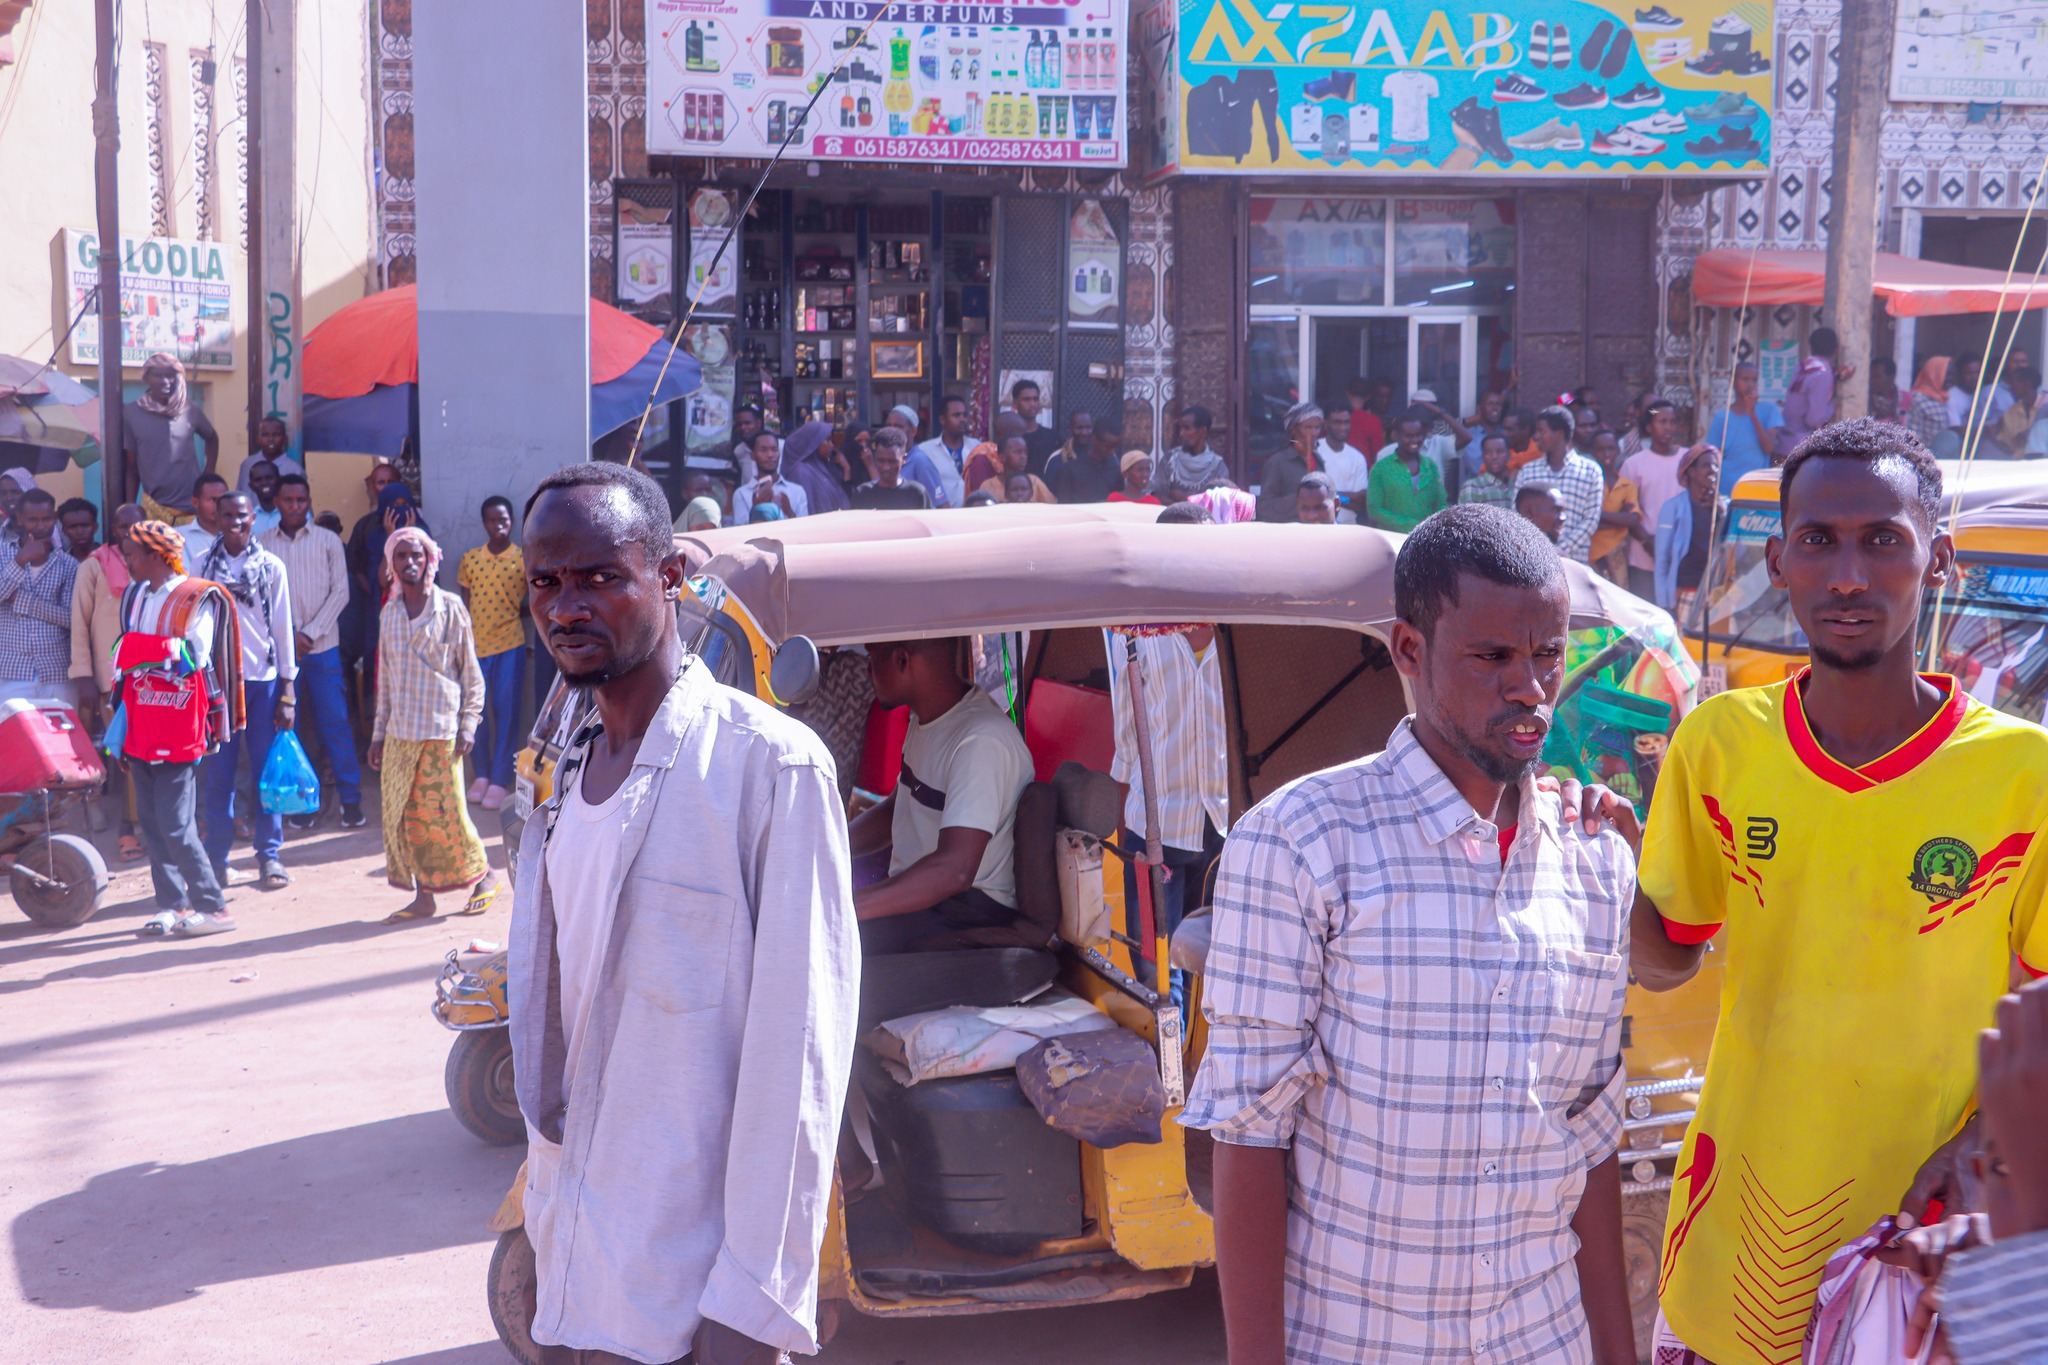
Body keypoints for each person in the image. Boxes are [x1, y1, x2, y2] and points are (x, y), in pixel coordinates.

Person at [1610, 419, 2048, 1365]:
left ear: (1939, 559)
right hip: (1733, 1242)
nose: (1848, 575)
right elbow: (1668, 953)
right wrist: (1601, 870)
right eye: (1818, 540)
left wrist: (1984, 1141)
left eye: (1882, 539)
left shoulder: (2027, 774)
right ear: (1779, 561)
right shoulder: (1718, 743)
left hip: (1921, 1247)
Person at [1187, 502, 1637, 1365]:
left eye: (1548, 653)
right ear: (1408, 650)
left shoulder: (1596, 860)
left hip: (1542, 1340)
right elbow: (1248, 1131)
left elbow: (1589, 1136)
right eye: (1493, 657)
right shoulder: (1302, 841)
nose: (1530, 687)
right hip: (1357, 1342)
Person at [510, 461, 857, 1365]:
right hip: (584, 1263)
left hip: (698, 1290)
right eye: (547, 582)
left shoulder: (769, 767)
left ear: (668, 576)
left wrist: (752, 1305)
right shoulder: (564, 773)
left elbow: (800, 1060)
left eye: (600, 577)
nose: (567, 607)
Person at [851, 636, 1036, 951]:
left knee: (825, 944)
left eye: (872, 659)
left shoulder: (979, 741)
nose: (867, 671)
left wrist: (847, 907)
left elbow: (955, 870)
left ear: (902, 661)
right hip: (929, 899)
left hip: (967, 912)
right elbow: (897, 809)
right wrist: (829, 847)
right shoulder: (928, 718)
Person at [120, 521, 242, 938]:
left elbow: (192, 656)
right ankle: (173, 903)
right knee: (151, 822)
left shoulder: (195, 596)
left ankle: (214, 907)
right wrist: (141, 654)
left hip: (178, 720)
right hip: (141, 717)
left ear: (156, 556)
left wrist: (135, 651)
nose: (127, 561)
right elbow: (126, 654)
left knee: (176, 823)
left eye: (132, 555)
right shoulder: (137, 595)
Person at [368, 526, 496, 923]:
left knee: (448, 814)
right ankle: (424, 897)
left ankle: (485, 876)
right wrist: (378, 735)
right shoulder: (388, 614)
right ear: (392, 564)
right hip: (400, 734)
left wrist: (469, 724)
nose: (410, 562)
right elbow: (385, 682)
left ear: (429, 561)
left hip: (441, 733)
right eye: (402, 556)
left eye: (417, 555)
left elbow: (471, 674)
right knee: (407, 817)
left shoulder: (451, 608)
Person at [194, 490, 296, 892]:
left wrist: (288, 690)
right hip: (217, 686)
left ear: (254, 518)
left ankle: (269, 856)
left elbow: (283, 628)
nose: (235, 523)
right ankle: (217, 861)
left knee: (265, 773)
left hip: (262, 682)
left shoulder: (270, 567)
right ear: (216, 518)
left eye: (242, 516)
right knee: (218, 777)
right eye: (227, 516)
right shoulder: (202, 565)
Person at [259, 474, 365, 830]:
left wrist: (309, 633)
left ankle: (351, 800)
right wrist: (288, 636)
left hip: (323, 649)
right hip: (281, 654)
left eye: (301, 501)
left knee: (335, 724)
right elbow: (261, 598)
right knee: (291, 727)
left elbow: (341, 592)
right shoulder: (262, 544)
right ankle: (301, 803)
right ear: (277, 502)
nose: (294, 507)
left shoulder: (328, 540)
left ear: (309, 502)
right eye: (288, 500)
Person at [456, 495, 528, 813]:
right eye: (492, 520)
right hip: (476, 648)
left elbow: (535, 599)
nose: (498, 525)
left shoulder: (523, 559)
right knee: (477, 713)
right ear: (484, 523)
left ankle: (500, 779)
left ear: (512, 522)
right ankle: (481, 775)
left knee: (507, 712)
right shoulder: (471, 559)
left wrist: (512, 614)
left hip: (510, 645)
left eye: (504, 520)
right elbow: (466, 605)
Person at [122, 353, 221, 523]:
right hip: (155, 509)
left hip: (191, 510)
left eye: (170, 375)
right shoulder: (131, 413)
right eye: (158, 375)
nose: (165, 381)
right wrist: (130, 506)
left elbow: (212, 438)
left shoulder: (188, 409)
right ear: (146, 378)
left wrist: (208, 472)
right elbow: (132, 468)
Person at [0, 489, 78, 703]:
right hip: (12, 671)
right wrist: (21, 559)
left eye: (47, 519)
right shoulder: (2, 554)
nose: (41, 526)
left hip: (57, 671)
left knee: (61, 725)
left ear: (55, 518)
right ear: (20, 519)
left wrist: (20, 600)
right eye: (33, 520)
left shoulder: (68, 564)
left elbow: (72, 618)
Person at [1515, 406, 1604, 564]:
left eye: (1541, 431)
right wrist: (1540, 551)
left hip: (1574, 562)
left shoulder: (1590, 471)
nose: (1536, 436)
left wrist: (1561, 550)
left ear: (1560, 433)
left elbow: (1591, 519)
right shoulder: (1527, 471)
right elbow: (1517, 515)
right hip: (1533, 562)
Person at [1649, 444, 1722, 618]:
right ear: (1691, 471)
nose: (1712, 470)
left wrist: (1722, 512)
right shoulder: (1672, 508)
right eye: (1706, 465)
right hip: (1686, 591)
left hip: (1718, 594)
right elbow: (1662, 559)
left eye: (1716, 466)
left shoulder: (1725, 506)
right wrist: (1664, 604)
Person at [1619, 405, 1687, 591]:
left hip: (1681, 553)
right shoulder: (1633, 464)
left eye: (1672, 422)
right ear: (1649, 427)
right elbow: (1626, 508)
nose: (1668, 427)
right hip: (1644, 554)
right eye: (1662, 422)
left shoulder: (1687, 459)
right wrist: (1647, 541)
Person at [1703, 361, 1782, 493]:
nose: (1750, 384)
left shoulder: (1769, 410)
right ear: (1733, 382)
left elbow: (1769, 447)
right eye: (1745, 379)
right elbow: (1713, 457)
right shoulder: (1722, 418)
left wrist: (1752, 413)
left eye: (1754, 380)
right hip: (1727, 489)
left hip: (1756, 488)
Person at [1366, 410, 1449, 532]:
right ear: (1395, 436)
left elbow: (1441, 503)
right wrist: (1412, 525)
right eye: (1409, 436)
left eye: (1419, 435)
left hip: (1426, 537)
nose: (1415, 440)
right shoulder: (1380, 469)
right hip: (1393, 538)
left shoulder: (1430, 466)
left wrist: (1433, 526)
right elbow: (1374, 510)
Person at [1587, 431, 1645, 588]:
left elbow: (1632, 520)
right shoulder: (1587, 483)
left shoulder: (1627, 485)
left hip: (1617, 555)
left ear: (1618, 451)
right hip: (1590, 555)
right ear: (1593, 452)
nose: (1606, 454)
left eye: (1610, 448)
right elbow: (1583, 520)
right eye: (1600, 449)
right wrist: (1619, 519)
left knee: (1617, 598)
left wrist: (1596, 515)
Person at [1256, 402, 1326, 522]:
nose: (1314, 433)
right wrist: (1300, 499)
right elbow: (1265, 508)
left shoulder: (1318, 461)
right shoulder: (1277, 463)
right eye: (1308, 427)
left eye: (1317, 427)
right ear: (1294, 430)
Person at [1154, 405, 1233, 501]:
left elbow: (1217, 502)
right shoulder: (1170, 460)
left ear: (1203, 431)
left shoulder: (1217, 468)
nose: (1181, 433)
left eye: (1187, 428)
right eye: (1180, 428)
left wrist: (1186, 499)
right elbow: (1158, 494)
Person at [1780, 326, 1842, 447]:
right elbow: (1813, 420)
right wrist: (1833, 406)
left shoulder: (1802, 366)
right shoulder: (1822, 372)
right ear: (1837, 350)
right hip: (1800, 444)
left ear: (1811, 347)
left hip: (1784, 440)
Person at [731, 431, 809, 523]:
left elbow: (805, 527)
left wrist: (789, 512)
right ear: (753, 456)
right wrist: (756, 508)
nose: (770, 455)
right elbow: (740, 529)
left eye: (774, 450)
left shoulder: (797, 491)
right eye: (763, 450)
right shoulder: (741, 494)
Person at [913, 394, 974, 508]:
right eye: (956, 415)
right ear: (942, 419)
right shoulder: (924, 451)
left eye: (964, 415)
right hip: (938, 516)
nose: (962, 419)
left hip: (974, 515)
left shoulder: (977, 447)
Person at [781, 419, 852, 516]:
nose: (831, 445)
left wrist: (846, 468)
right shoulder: (801, 472)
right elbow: (808, 511)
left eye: (832, 440)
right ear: (814, 442)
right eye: (827, 440)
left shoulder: (823, 467)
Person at [851, 428, 933, 510]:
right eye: (881, 461)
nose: (886, 467)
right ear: (874, 458)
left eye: (892, 461)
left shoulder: (916, 493)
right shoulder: (863, 494)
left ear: (904, 459)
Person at [1315, 406, 1370, 523]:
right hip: (1319, 526)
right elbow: (1311, 497)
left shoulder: (1357, 457)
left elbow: (1360, 503)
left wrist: (1328, 495)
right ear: (1326, 424)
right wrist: (1348, 498)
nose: (1343, 427)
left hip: (1348, 527)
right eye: (1337, 422)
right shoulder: (1314, 451)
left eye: (1346, 422)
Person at [1049, 418, 1122, 504]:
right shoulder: (1070, 470)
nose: (1112, 451)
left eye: (1115, 447)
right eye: (1108, 446)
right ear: (1094, 440)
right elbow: (1063, 505)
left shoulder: (1116, 470)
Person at [235, 416, 306, 490]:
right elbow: (241, 491)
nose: (270, 439)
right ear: (258, 439)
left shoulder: (295, 470)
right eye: (265, 435)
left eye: (276, 435)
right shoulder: (247, 464)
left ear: (285, 438)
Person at [978, 435, 1053, 504]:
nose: (1023, 457)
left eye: (1025, 453)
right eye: (1017, 452)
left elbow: (1052, 507)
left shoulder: (1035, 482)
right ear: (1001, 457)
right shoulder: (988, 486)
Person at [1010, 378, 1063, 473]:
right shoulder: (1008, 438)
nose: (1032, 404)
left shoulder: (1053, 438)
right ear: (1015, 403)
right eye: (1026, 400)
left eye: (1036, 399)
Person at [179, 473, 230, 565]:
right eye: (214, 500)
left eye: (223, 500)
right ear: (195, 502)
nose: (219, 505)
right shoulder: (179, 537)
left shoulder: (239, 536)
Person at [1458, 432, 1517, 511]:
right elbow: (1467, 518)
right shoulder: (1473, 487)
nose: (1494, 457)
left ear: (1509, 455)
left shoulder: (1517, 484)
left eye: (1500, 452)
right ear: (1483, 457)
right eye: (1488, 452)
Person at [1905, 356, 1954, 449]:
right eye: (1947, 375)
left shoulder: (1945, 397)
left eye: (1952, 375)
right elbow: (1913, 435)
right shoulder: (1918, 400)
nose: (1950, 379)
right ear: (1934, 375)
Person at [1994, 365, 2043, 457]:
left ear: (2027, 384)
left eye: (2013, 382)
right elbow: (2006, 442)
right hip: (2018, 463)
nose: (2010, 387)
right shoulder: (2011, 411)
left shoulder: (2045, 405)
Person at [1042, 409, 1096, 488]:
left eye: (1088, 427)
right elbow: (1048, 492)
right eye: (1079, 428)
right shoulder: (1056, 459)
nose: (1084, 432)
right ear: (1070, 428)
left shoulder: (1105, 456)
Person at [244, 458, 283, 535]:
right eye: (258, 480)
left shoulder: (296, 515)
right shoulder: (247, 521)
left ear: (279, 480)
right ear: (251, 486)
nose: (264, 483)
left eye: (269, 478)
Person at [1868, 355, 1907, 424]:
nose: (1872, 380)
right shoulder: (1867, 401)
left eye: (1877, 377)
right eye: (1871, 377)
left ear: (1891, 377)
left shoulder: (1905, 399)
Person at [0, 467, 32, 547]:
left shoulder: (53, 528)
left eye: (15, 492)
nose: (9, 498)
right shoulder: (2, 532)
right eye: (4, 493)